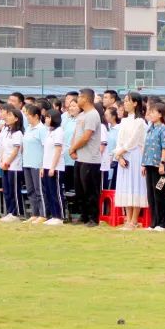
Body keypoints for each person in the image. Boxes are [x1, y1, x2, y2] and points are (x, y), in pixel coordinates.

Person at [68, 88, 103, 227]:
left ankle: (93, 218)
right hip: (80, 158)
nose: (78, 100)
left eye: (80, 97)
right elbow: (76, 134)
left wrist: (73, 148)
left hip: (90, 159)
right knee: (80, 190)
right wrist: (72, 148)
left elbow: (86, 137)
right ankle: (84, 216)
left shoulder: (93, 115)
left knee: (90, 190)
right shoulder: (81, 115)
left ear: (87, 99)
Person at [114, 93, 148, 229]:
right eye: (125, 101)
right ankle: (128, 219)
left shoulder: (140, 122)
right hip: (124, 157)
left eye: (128, 101)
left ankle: (134, 220)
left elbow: (133, 141)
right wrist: (120, 156)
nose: (125, 103)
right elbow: (120, 140)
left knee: (136, 185)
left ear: (135, 103)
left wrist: (119, 153)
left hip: (135, 156)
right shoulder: (124, 120)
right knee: (126, 186)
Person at [142, 102, 165, 232]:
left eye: (153, 112)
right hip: (149, 165)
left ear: (160, 114)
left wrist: (162, 163)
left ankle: (163, 223)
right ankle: (154, 222)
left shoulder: (164, 129)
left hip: (160, 167)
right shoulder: (151, 128)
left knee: (160, 192)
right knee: (151, 194)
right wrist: (143, 164)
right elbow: (146, 147)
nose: (150, 114)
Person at [0, 106, 24, 222]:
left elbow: (16, 150)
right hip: (5, 165)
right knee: (7, 190)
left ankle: (16, 213)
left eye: (10, 116)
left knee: (14, 190)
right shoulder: (7, 132)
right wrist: (1, 161)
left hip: (14, 166)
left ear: (16, 119)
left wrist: (7, 162)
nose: (7, 118)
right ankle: (9, 211)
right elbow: (3, 148)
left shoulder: (18, 133)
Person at [22, 105, 47, 223]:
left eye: (29, 116)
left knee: (39, 190)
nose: (27, 118)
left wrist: (43, 164)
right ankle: (34, 213)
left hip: (37, 164)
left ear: (36, 116)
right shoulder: (28, 128)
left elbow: (45, 147)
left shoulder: (42, 129)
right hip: (27, 162)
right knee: (30, 190)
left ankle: (43, 214)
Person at [41, 109, 65, 226]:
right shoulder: (48, 132)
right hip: (46, 165)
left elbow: (58, 150)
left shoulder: (59, 131)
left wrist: (52, 167)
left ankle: (59, 216)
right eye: (46, 117)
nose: (46, 119)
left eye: (49, 117)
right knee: (49, 192)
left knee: (56, 192)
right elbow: (46, 151)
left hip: (56, 167)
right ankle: (53, 215)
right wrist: (43, 166)